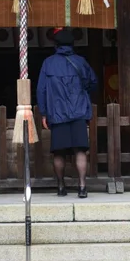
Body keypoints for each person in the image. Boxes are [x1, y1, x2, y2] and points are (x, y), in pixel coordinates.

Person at [36, 28, 99, 198]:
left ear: (56, 45)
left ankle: (61, 186)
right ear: (73, 44)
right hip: (78, 111)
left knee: (59, 152)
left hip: (57, 113)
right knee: (80, 151)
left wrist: (44, 113)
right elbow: (93, 83)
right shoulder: (81, 62)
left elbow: (41, 90)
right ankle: (82, 186)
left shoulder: (48, 63)